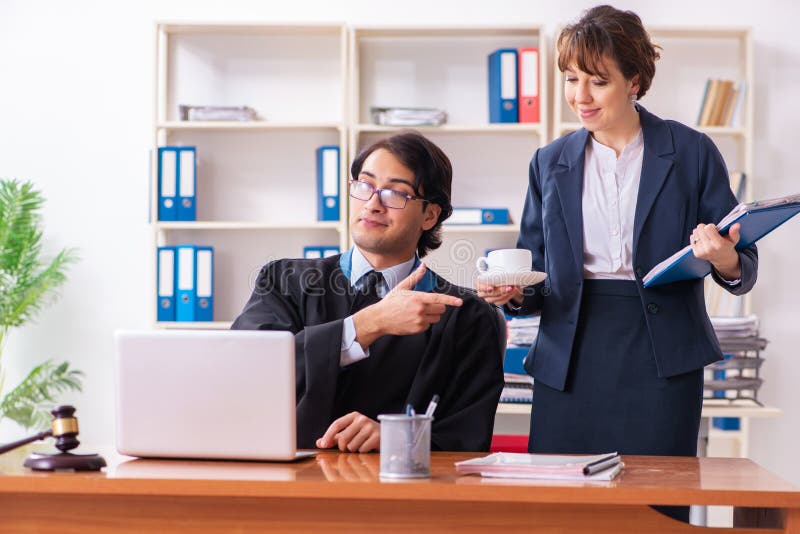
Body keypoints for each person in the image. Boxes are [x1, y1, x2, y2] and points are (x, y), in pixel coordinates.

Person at [478, 2, 757, 506]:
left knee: (657, 506)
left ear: (634, 80)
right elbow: (534, 271)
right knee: (563, 508)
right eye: (571, 79)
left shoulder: (690, 152)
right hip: (569, 360)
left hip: (661, 359)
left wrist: (722, 256)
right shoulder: (549, 162)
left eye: (598, 81)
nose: (580, 96)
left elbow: (742, 262)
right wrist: (512, 294)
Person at [232, 130, 504, 453]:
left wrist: (396, 438)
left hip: (398, 483)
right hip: (290, 478)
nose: (373, 204)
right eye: (364, 186)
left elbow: (468, 437)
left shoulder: (465, 314)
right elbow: (244, 373)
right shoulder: (284, 281)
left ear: (430, 215)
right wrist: (367, 325)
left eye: (395, 193)